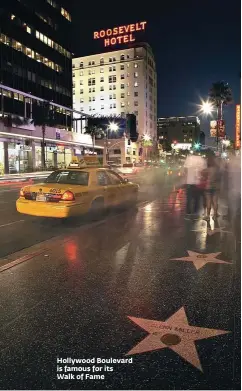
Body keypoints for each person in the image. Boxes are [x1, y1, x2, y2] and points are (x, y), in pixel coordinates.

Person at [204, 154, 220, 221]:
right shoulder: (217, 169)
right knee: (215, 201)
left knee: (208, 201)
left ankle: (207, 216)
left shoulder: (206, 169)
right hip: (216, 187)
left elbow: (203, 177)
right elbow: (219, 178)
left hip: (208, 187)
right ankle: (215, 215)